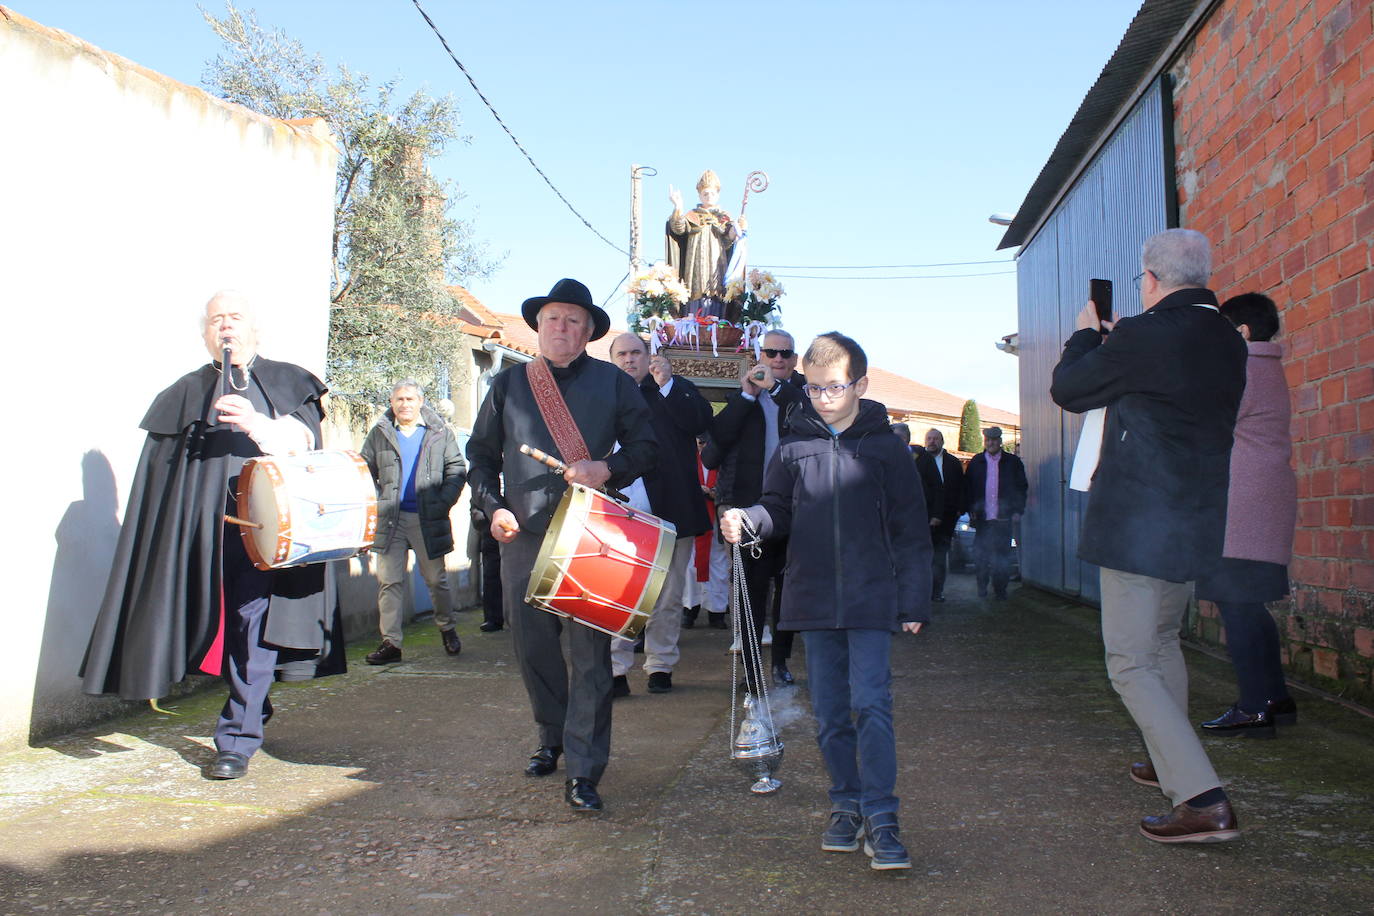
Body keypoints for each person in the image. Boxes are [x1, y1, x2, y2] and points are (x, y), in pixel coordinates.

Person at [82, 290, 344, 780]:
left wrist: (256, 423)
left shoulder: (287, 382)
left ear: (255, 329)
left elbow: (307, 446)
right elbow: (163, 478)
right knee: (211, 629)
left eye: (234, 316)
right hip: (198, 535)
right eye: (215, 319)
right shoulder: (183, 392)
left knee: (251, 626)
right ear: (205, 334)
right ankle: (253, 702)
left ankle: (236, 738)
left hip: (266, 532)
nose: (225, 326)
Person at [1050, 228, 1247, 844]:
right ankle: (1170, 759)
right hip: (1195, 515)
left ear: (1151, 280)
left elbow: (1069, 388)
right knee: (1162, 642)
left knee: (1130, 661)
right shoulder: (1226, 338)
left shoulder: (1141, 335)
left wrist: (1087, 333)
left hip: (1140, 520)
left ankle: (1200, 797)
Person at [721, 331, 930, 871]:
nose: (821, 398)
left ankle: (883, 816)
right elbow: (777, 509)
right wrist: (749, 520)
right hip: (812, 595)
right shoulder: (793, 446)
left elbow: (910, 529)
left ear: (860, 383)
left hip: (870, 596)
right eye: (812, 388)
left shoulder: (886, 449)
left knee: (872, 706)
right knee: (832, 713)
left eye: (833, 387)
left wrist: (912, 602)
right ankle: (845, 806)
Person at [466, 278, 657, 813]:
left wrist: (607, 466)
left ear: (590, 331)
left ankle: (585, 768)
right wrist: (493, 507)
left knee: (591, 656)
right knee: (534, 648)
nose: (561, 328)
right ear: (538, 325)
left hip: (589, 533)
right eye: (552, 318)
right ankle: (551, 738)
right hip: (523, 534)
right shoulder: (508, 384)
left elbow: (648, 448)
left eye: (573, 320)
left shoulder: (615, 384)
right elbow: (479, 456)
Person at [1196, 293, 1298, 737]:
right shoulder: (1267, 366)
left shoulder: (1243, 369)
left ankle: (1254, 706)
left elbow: (1206, 421)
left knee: (1236, 606)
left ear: (1241, 332)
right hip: (1263, 501)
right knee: (1249, 606)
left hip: (1242, 505)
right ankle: (1275, 697)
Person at [606, 336, 713, 695]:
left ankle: (660, 665)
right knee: (619, 594)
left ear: (650, 357)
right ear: (612, 360)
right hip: (619, 511)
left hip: (670, 509)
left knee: (667, 597)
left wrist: (668, 383)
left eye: (636, 352)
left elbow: (701, 420)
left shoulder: (673, 388)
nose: (629, 359)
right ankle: (616, 669)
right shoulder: (602, 395)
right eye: (621, 354)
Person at [707, 329, 807, 688]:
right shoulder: (741, 399)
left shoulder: (802, 397)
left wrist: (776, 390)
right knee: (750, 593)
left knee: (787, 593)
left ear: (794, 360)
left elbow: (810, 419)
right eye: (771, 353)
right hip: (749, 512)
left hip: (794, 509)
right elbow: (712, 450)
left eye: (785, 354)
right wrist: (748, 397)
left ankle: (780, 661)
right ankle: (750, 672)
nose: (778, 359)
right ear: (759, 356)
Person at [360, 380, 467, 664]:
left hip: (427, 519)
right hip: (390, 519)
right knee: (389, 582)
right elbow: (363, 469)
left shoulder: (439, 432)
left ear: (420, 401)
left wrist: (443, 502)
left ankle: (447, 627)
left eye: (409, 399)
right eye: (399, 400)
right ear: (392, 403)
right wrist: (376, 500)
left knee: (435, 579)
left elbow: (456, 468)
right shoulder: (379, 433)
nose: (404, 404)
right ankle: (391, 643)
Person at [666, 169, 744, 319]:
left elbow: (729, 241)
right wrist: (677, 207)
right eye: (705, 194)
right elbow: (678, 228)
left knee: (717, 297)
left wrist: (738, 229)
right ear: (700, 195)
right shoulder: (692, 215)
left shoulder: (724, 217)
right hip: (695, 266)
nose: (709, 197)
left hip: (717, 266)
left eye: (712, 193)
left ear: (718, 194)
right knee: (695, 298)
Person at [962, 427, 1027, 600]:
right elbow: (967, 488)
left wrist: (1017, 510)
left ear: (1000, 441)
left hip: (1003, 518)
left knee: (1002, 557)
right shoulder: (976, 462)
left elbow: (1021, 487)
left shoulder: (1012, 462)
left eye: (994, 440)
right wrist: (970, 509)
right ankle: (981, 589)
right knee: (981, 557)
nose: (991, 443)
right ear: (985, 441)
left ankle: (1000, 591)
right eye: (988, 440)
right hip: (982, 519)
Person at [924, 428, 965, 602]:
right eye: (929, 438)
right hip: (922, 516)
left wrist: (959, 509)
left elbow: (961, 487)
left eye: (935, 439)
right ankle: (922, 591)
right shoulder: (918, 461)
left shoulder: (952, 463)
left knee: (940, 556)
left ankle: (937, 591)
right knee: (923, 556)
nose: (932, 441)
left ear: (942, 441)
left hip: (946, 517)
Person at [891, 422, 945, 534]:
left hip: (918, 515)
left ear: (904, 439)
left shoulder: (924, 459)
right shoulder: (885, 458)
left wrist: (936, 514)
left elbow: (937, 487)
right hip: (892, 515)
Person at [469, 504, 505, 632]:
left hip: (521, 517)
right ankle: (493, 618)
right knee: (491, 571)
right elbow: (478, 486)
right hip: (489, 520)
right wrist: (478, 516)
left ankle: (526, 616)